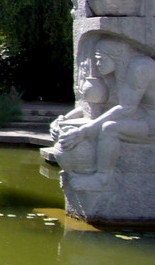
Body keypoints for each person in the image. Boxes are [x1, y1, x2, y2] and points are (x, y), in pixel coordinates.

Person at [51, 36, 155, 184]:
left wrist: (85, 131)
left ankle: (103, 178)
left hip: (151, 122)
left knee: (109, 129)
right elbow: (99, 108)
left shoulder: (139, 68)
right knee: (77, 127)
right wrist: (64, 119)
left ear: (115, 56)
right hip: (142, 116)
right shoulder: (120, 70)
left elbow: (127, 109)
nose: (97, 64)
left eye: (101, 59)